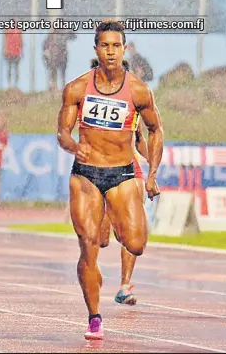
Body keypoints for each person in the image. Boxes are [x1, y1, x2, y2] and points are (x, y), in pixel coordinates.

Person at [57, 19, 163, 340]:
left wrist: (153, 172)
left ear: (124, 48)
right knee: (89, 247)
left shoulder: (139, 90)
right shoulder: (77, 88)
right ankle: (94, 316)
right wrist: (75, 146)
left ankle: (114, 217)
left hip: (122, 173)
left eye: (116, 45)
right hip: (86, 175)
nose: (111, 51)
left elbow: (156, 130)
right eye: (105, 45)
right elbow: (62, 131)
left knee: (136, 244)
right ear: (96, 49)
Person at [91, 58, 150, 306]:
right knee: (102, 239)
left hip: (129, 167)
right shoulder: (88, 97)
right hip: (97, 170)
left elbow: (140, 137)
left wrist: (154, 167)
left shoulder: (132, 101)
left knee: (131, 228)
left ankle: (124, 286)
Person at [3, 24, 22, 88]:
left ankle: (14, 85)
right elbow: (5, 39)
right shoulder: (8, 28)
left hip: (15, 52)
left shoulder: (18, 29)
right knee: (11, 68)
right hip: (10, 52)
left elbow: (20, 40)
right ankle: (10, 85)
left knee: (14, 68)